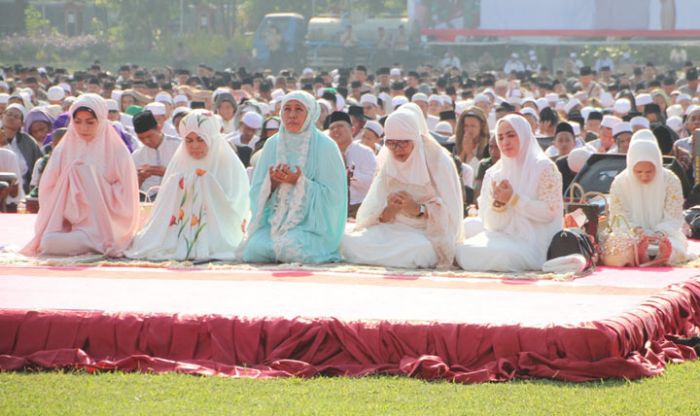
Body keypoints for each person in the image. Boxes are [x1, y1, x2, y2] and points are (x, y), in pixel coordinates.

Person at [342, 103, 463, 268]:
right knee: (349, 242)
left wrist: (418, 209)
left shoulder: (438, 161)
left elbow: (452, 214)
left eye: (403, 143)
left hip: (424, 232)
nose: (397, 150)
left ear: (415, 138)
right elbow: (374, 211)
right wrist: (389, 209)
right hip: (391, 228)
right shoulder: (388, 161)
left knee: (417, 251)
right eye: (391, 143)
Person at [21, 94, 140, 257]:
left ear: (102, 120)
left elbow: (127, 197)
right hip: (68, 223)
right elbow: (48, 190)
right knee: (48, 242)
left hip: (105, 226)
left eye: (90, 122)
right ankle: (92, 244)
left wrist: (90, 181)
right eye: (77, 122)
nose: (83, 128)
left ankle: (97, 241)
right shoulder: (63, 150)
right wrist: (69, 190)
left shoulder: (117, 152)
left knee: (81, 172)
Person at [239, 91, 347, 263]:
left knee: (292, 248)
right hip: (274, 225)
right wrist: (272, 183)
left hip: (310, 228)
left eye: (299, 109)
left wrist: (299, 182)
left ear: (310, 113)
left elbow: (334, 197)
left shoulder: (326, 146)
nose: (292, 115)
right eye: (287, 109)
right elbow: (256, 191)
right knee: (254, 250)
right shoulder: (272, 144)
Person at [126, 110, 249, 261]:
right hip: (182, 225)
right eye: (189, 141)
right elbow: (166, 204)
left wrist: (205, 183)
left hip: (218, 228)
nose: (194, 146)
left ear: (211, 138)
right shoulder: (181, 160)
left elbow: (234, 203)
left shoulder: (228, 163)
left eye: (200, 139)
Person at [456, 114, 564, 272]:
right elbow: (489, 224)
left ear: (524, 135)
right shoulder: (494, 173)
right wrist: (498, 205)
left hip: (535, 242)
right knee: (463, 249)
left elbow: (549, 213)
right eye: (500, 137)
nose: (505, 142)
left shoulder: (544, 168)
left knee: (503, 257)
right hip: (502, 236)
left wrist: (513, 199)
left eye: (511, 135)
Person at [609, 133, 691, 265]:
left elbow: (673, 216)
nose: (644, 177)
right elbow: (618, 217)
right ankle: (640, 255)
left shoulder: (670, 180)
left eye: (649, 172)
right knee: (619, 250)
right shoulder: (620, 182)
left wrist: (659, 234)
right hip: (633, 237)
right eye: (639, 172)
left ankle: (655, 256)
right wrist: (637, 232)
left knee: (674, 249)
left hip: (666, 236)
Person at [327, 111, 376, 217]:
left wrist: (348, 174)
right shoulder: (325, 153)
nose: (336, 130)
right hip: (332, 208)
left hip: (359, 207)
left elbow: (373, 182)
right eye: (332, 128)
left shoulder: (365, 152)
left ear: (352, 129)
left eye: (340, 126)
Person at [131, 110, 181, 198]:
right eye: (141, 138)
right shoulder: (137, 155)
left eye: (149, 136)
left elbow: (191, 176)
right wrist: (140, 178)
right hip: (148, 200)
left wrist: (167, 173)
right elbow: (132, 189)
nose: (146, 141)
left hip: (176, 197)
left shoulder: (179, 146)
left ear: (159, 128)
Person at [0, 103, 43, 194]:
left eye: (16, 116)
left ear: (21, 123)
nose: (11, 118)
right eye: (9, 114)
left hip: (21, 191)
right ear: (2, 116)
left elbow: (37, 166)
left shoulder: (28, 142)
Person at [452, 107, 490, 173]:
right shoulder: (452, 143)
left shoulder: (488, 147)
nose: (469, 130)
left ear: (481, 126)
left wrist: (469, 153)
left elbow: (479, 172)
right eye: (466, 126)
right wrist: (463, 151)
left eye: (473, 126)